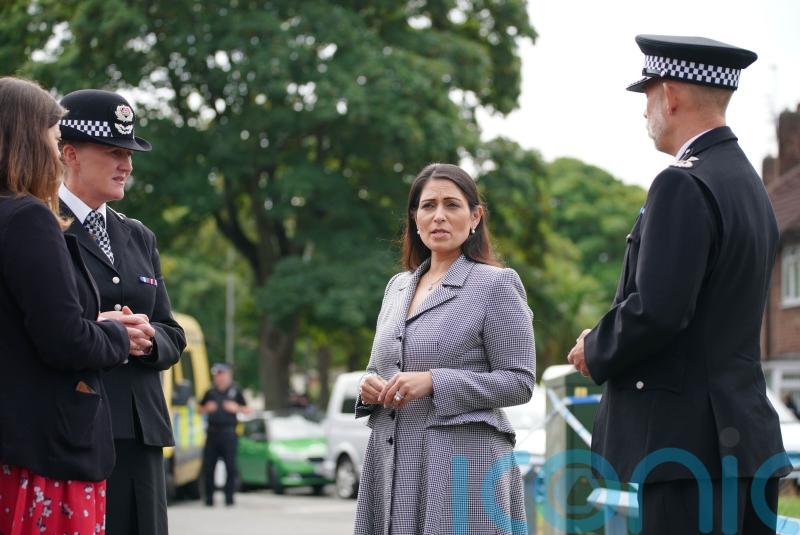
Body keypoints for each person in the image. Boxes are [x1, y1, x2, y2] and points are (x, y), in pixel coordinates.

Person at [566, 35, 791, 534]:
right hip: (744, 447)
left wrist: (595, 347)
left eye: (646, 96)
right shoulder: (750, 185)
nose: (644, 111)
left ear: (670, 94)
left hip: (689, 453)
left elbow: (660, 309)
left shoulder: (681, 182)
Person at [353, 163, 536, 535]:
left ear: (475, 217)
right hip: (392, 462)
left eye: (452, 205)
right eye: (427, 206)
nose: (438, 216)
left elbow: (520, 382)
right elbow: (379, 366)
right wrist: (370, 385)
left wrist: (435, 382)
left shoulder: (496, 285)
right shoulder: (397, 288)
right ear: (415, 219)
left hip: (462, 468)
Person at [0, 77, 137, 534]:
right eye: (53, 138)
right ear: (27, 138)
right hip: (44, 451)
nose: (56, 151)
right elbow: (64, 341)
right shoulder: (29, 217)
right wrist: (114, 333)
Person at [58, 89, 187, 535]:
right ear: (70, 154)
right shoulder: (39, 223)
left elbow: (173, 332)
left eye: (129, 153)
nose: (127, 164)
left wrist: (148, 337)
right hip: (74, 426)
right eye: (114, 151)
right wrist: (101, 332)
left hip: (142, 429)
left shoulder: (138, 236)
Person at [199, 363, 250, 506]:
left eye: (221, 374)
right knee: (208, 468)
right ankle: (209, 499)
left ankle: (229, 499)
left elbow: (248, 409)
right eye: (216, 375)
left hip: (229, 433)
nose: (218, 377)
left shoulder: (235, 391)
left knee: (230, 467)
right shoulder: (210, 392)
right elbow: (199, 408)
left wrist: (236, 408)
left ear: (228, 374)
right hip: (212, 433)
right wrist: (206, 408)